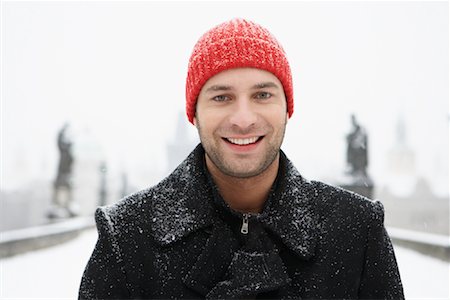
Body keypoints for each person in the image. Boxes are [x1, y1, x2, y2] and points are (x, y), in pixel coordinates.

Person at [79, 18, 404, 299]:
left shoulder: (357, 229)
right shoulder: (126, 237)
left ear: (286, 107)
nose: (244, 118)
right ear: (195, 113)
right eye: (222, 97)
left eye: (262, 95)